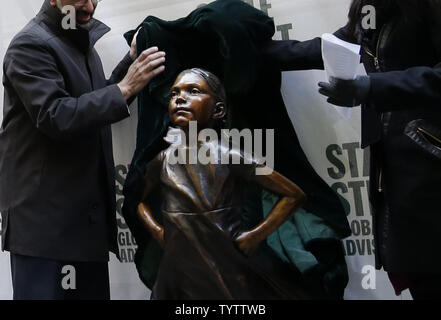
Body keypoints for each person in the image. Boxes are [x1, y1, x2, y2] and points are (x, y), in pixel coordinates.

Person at [263, 0, 441, 299]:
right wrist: (255, 52)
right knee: (423, 272)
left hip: (430, 163)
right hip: (399, 172)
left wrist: (372, 87)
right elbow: (336, 46)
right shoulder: (372, 9)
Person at [0, 0, 165, 300]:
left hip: (83, 230)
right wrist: (124, 88)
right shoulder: (29, 45)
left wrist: (129, 67)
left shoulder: (79, 42)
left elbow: (91, 105)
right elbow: (56, 115)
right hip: (45, 235)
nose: (89, 4)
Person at [136, 68, 313, 299]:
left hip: (224, 267)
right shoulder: (163, 159)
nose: (180, 98)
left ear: (218, 109)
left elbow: (293, 195)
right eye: (174, 93)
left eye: (193, 91)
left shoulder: (231, 156)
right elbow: (138, 200)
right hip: (176, 269)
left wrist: (254, 236)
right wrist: (159, 231)